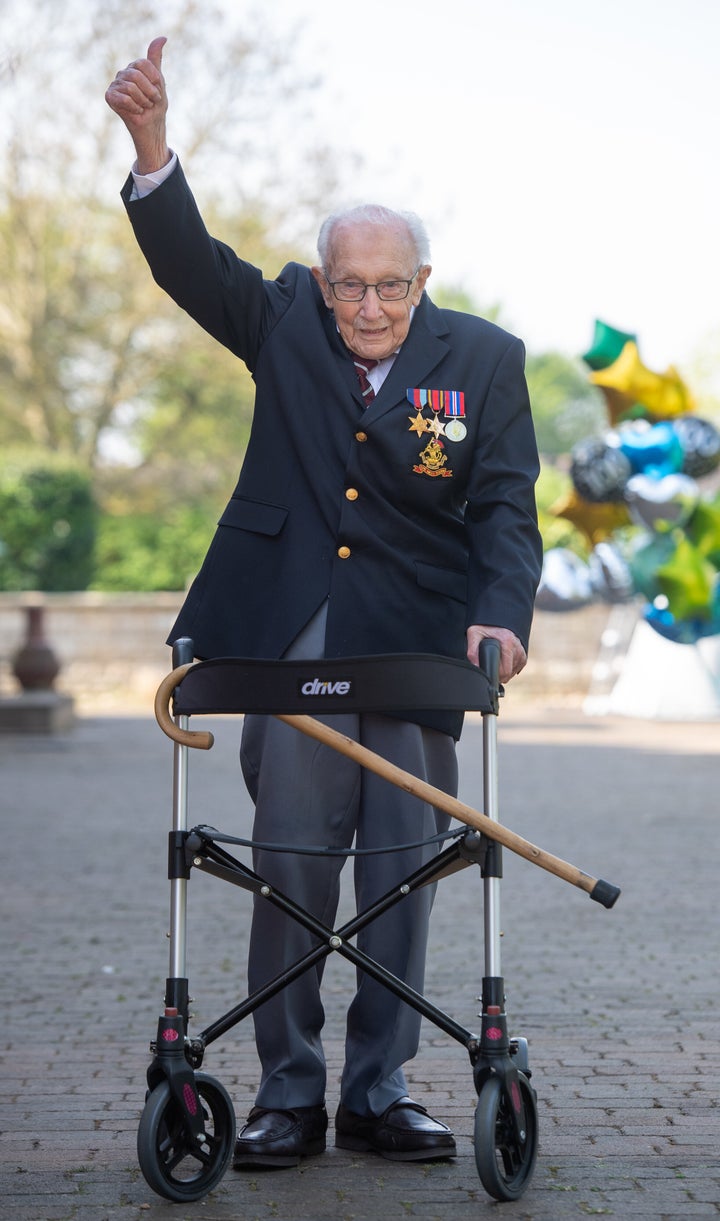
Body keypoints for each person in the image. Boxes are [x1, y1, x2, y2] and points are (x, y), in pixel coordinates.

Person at [106, 37, 543, 1171]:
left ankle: (380, 1088)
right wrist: (153, 148)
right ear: (324, 279)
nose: (368, 304)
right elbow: (191, 266)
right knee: (294, 860)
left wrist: (502, 615)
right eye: (350, 283)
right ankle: (288, 1092)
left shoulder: (486, 360)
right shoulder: (286, 318)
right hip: (289, 631)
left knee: (405, 862)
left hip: (418, 636)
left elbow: (504, 505)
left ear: (424, 283)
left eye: (391, 285)